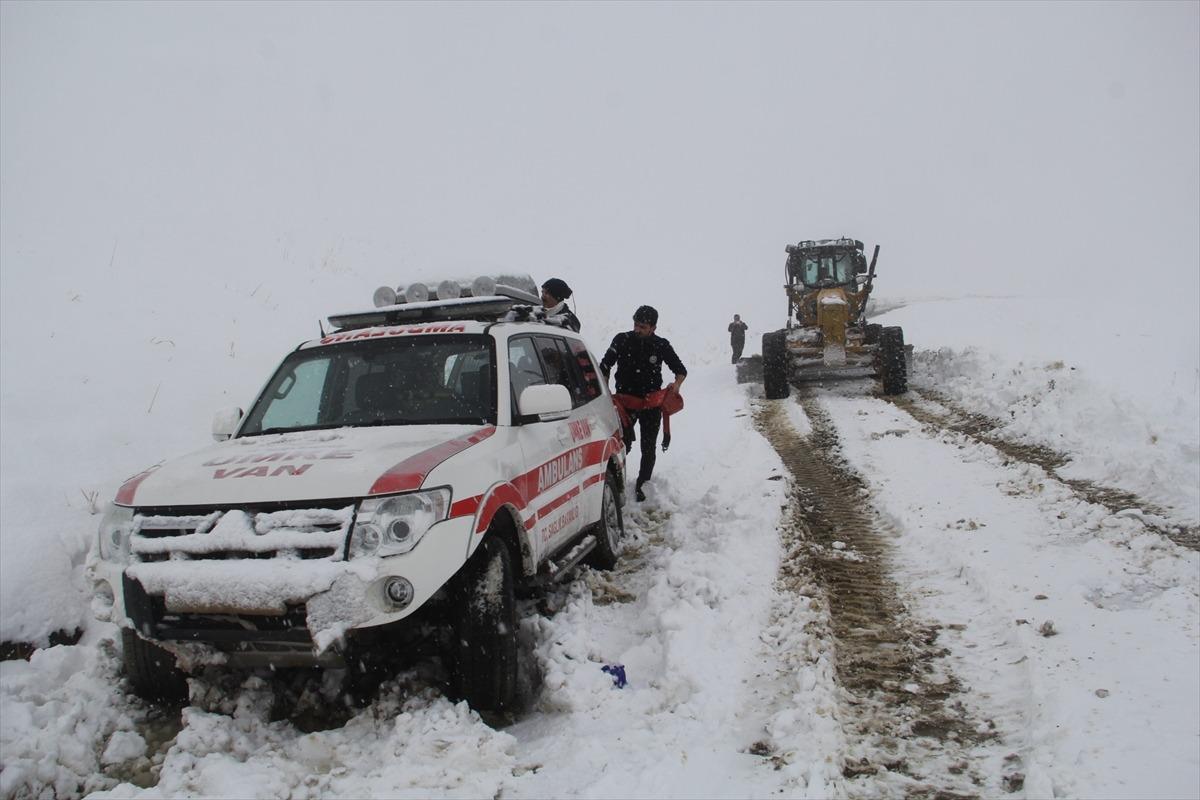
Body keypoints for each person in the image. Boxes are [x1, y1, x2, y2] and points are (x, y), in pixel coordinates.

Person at [600, 305, 687, 502]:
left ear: (653, 328)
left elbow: (681, 370)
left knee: (648, 448)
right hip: (625, 405)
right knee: (622, 446)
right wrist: (605, 388)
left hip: (651, 405)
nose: (638, 330)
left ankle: (642, 485)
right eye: (636, 325)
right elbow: (605, 365)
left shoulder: (661, 345)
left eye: (643, 327)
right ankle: (615, 485)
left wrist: (677, 385)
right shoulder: (621, 340)